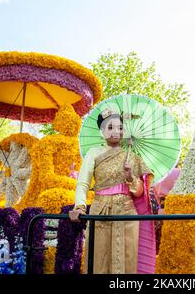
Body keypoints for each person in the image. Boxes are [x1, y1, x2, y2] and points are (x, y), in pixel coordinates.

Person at [69, 109, 155, 274]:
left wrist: (130, 176)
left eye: (120, 127)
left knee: (128, 261)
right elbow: (83, 183)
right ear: (102, 132)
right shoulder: (94, 153)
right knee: (98, 260)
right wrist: (79, 206)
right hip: (101, 211)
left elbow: (139, 193)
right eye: (111, 127)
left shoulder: (131, 156)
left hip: (127, 214)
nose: (116, 131)